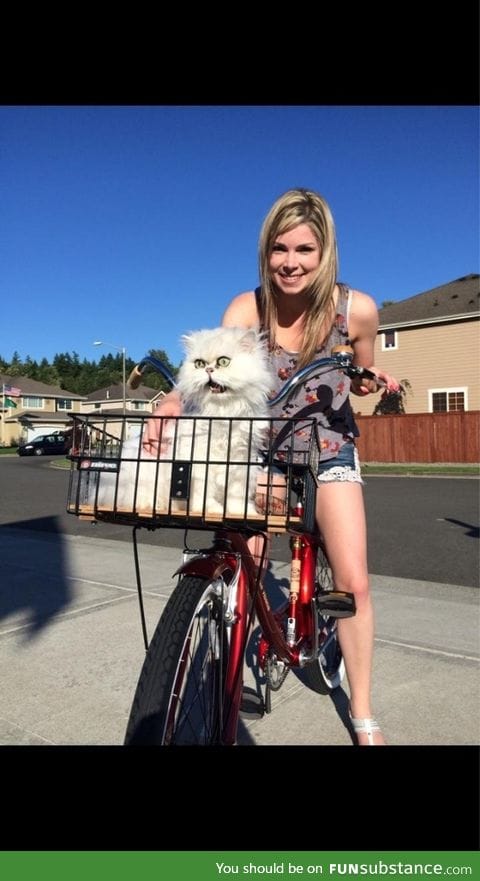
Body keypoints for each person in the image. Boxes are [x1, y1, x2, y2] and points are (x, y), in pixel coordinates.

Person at [145, 187, 400, 746]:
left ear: (325, 250)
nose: (291, 262)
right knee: (245, 560)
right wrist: (172, 399)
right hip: (259, 444)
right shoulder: (246, 309)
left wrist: (366, 382)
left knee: (352, 579)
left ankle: (362, 711)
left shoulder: (357, 309)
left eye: (305, 250)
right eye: (280, 249)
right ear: (266, 250)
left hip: (328, 445)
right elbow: (212, 374)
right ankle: (235, 667)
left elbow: (361, 373)